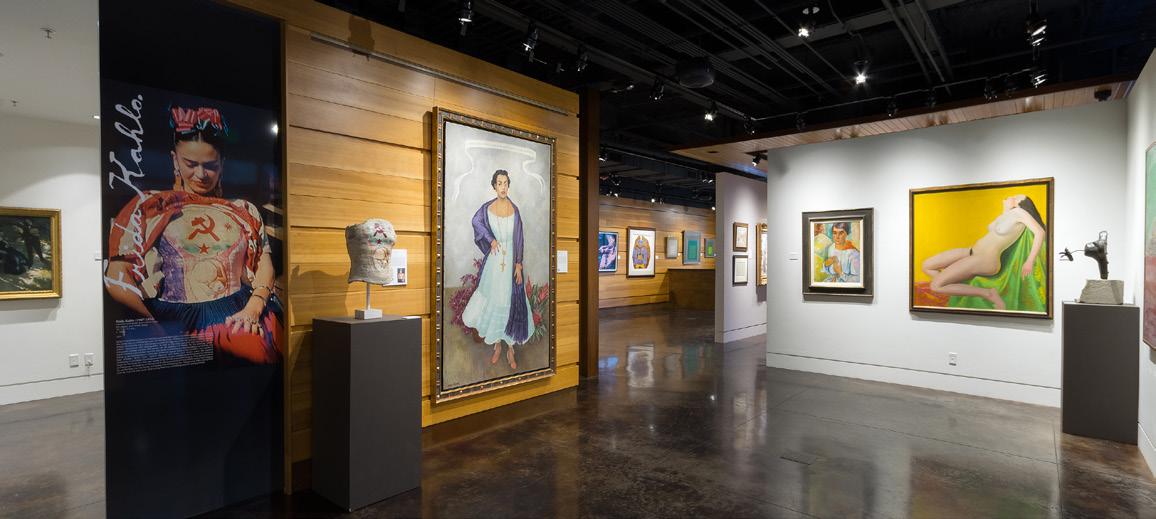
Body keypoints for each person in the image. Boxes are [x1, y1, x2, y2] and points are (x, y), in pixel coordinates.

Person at [104, 106, 283, 364]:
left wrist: (254, 307)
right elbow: (118, 273)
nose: (200, 174)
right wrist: (151, 325)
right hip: (172, 318)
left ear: (222, 164)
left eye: (210, 165)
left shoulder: (244, 210)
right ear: (175, 159)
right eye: (191, 164)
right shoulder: (149, 207)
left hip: (238, 314)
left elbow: (265, 265)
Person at [921, 195, 1046, 310]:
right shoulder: (1008, 215)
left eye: (1017, 197)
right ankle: (957, 287)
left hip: (985, 260)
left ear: (1021, 203)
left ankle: (988, 293)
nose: (1011, 197)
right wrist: (1005, 209)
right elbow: (998, 228)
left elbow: (1040, 232)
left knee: (936, 286)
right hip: (971, 251)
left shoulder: (1020, 212)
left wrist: (1029, 261)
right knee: (927, 266)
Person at [461, 170, 533, 370]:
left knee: (508, 302)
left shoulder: (515, 210)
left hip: (510, 262)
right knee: (495, 300)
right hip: (494, 264)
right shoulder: (487, 208)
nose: (503, 187)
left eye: (505, 183)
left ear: (509, 185)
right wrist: (490, 239)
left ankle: (510, 348)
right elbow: (476, 222)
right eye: (499, 183)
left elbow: (519, 239)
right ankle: (497, 345)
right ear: (494, 186)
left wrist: (518, 264)